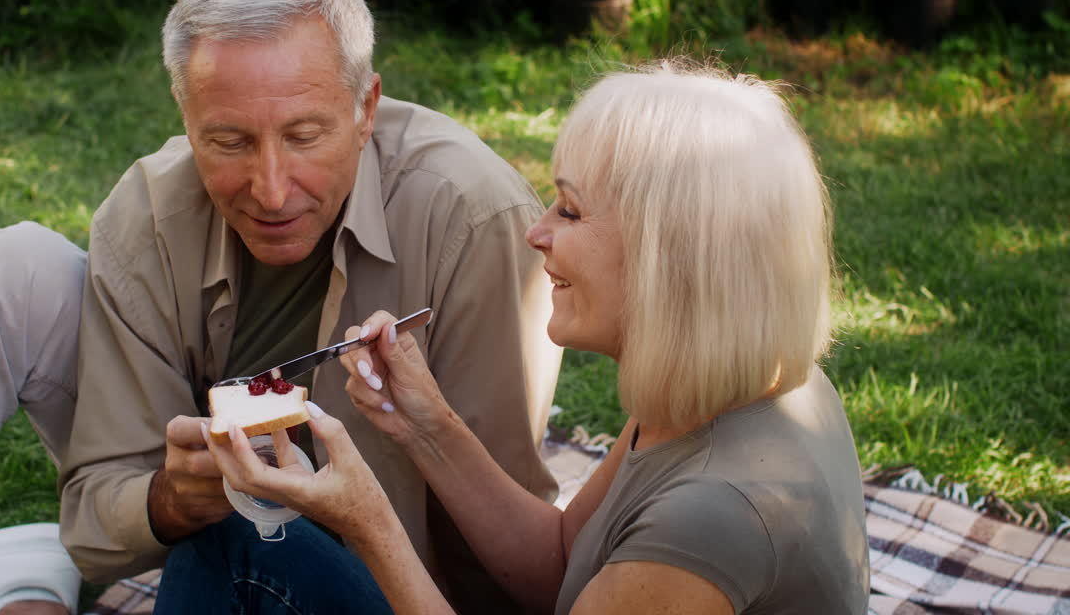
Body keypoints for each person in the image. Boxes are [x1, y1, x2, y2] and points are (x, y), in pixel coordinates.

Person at [0, 0, 561, 615]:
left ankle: (28, 578)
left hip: (400, 579)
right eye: (227, 141)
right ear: (186, 117)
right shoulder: (151, 208)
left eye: (304, 136)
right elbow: (100, 519)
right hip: (197, 527)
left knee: (233, 544)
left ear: (366, 108)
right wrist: (171, 498)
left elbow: (506, 551)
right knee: (13, 268)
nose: (270, 188)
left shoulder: (475, 217)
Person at [196, 61, 872, 614]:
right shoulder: (723, 386)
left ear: (668, 260)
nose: (536, 231)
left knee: (232, 548)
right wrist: (422, 425)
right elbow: (558, 568)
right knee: (232, 540)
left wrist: (368, 521)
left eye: (570, 209)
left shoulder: (708, 519)